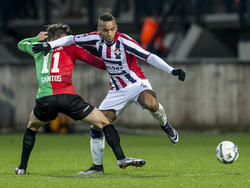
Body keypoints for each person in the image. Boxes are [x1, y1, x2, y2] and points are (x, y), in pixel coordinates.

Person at [32, 12, 186, 175]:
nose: (110, 33)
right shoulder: (93, 38)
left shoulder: (125, 41)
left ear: (116, 28)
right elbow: (71, 39)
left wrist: (172, 70)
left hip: (136, 84)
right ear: (99, 30)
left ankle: (166, 126)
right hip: (116, 91)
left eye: (112, 29)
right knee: (96, 126)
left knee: (151, 104)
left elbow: (149, 57)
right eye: (106, 30)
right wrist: (50, 45)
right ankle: (97, 167)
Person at [15, 23, 146, 175]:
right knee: (103, 122)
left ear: (49, 37)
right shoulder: (71, 47)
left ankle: (22, 168)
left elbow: (20, 44)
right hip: (68, 98)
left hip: (45, 100)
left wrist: (36, 38)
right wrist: (118, 61)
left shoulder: (37, 47)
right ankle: (121, 158)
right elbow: (98, 63)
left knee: (31, 127)